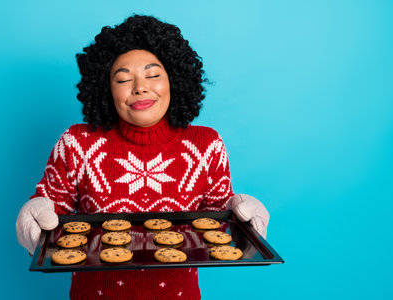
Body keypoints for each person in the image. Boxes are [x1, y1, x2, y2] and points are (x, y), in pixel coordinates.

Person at [16, 15, 270, 299]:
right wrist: (36, 212)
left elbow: (217, 219)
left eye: (153, 75)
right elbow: (52, 213)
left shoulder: (206, 144)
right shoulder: (76, 142)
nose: (139, 87)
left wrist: (242, 217)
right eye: (123, 79)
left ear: (174, 79)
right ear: (105, 88)